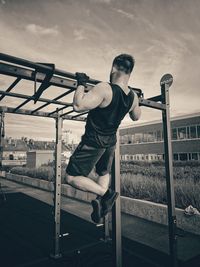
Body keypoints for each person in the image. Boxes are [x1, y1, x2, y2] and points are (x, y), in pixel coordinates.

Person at [65, 54, 141, 223]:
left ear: (113, 68)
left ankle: (107, 194)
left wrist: (81, 84)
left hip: (93, 141)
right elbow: (136, 116)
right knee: (103, 171)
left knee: (70, 177)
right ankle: (102, 205)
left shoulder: (105, 88)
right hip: (110, 142)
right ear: (129, 73)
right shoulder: (133, 97)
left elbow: (78, 105)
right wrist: (138, 101)